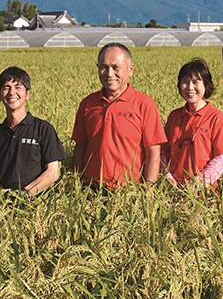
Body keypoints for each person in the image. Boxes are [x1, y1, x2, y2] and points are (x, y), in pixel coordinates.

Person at [71, 42, 166, 189]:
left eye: (116, 68)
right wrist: (76, 184)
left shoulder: (144, 104)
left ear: (130, 70)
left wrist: (149, 191)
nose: (109, 74)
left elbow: (153, 152)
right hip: (90, 188)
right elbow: (80, 147)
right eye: (104, 67)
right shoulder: (88, 104)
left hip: (129, 190)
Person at [0, 66, 66, 196]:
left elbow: (53, 172)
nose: (12, 92)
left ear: (27, 94)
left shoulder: (43, 129)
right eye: (6, 88)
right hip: (1, 207)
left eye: (18, 87)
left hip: (35, 205)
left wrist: (24, 194)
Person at [162, 58, 223, 188]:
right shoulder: (174, 116)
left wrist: (197, 184)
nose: (190, 88)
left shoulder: (216, 118)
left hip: (204, 193)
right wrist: (168, 178)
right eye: (185, 82)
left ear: (206, 85)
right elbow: (163, 152)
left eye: (196, 82)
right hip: (173, 190)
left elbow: (221, 157)